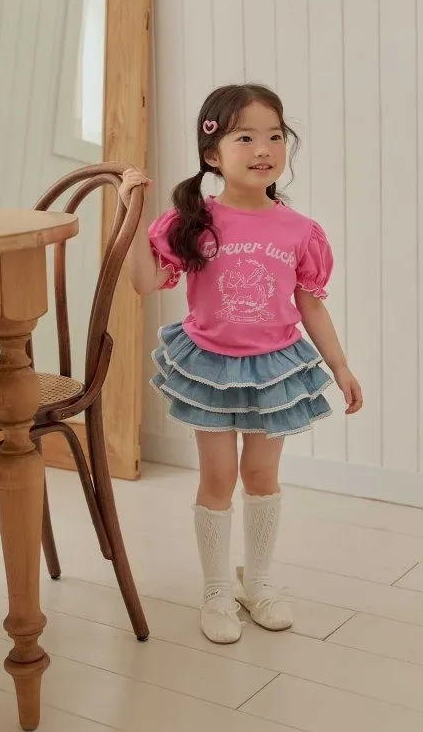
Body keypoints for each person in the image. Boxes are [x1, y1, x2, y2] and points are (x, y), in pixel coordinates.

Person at [119, 83, 363, 645]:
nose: (263, 149)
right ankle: (215, 590)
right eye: (246, 138)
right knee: (218, 477)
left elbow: (310, 304)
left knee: (261, 476)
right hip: (209, 366)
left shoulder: (298, 230)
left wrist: (341, 367)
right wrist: (129, 214)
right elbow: (144, 283)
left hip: (274, 370)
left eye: (275, 136)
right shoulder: (194, 221)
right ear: (212, 153)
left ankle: (258, 582)